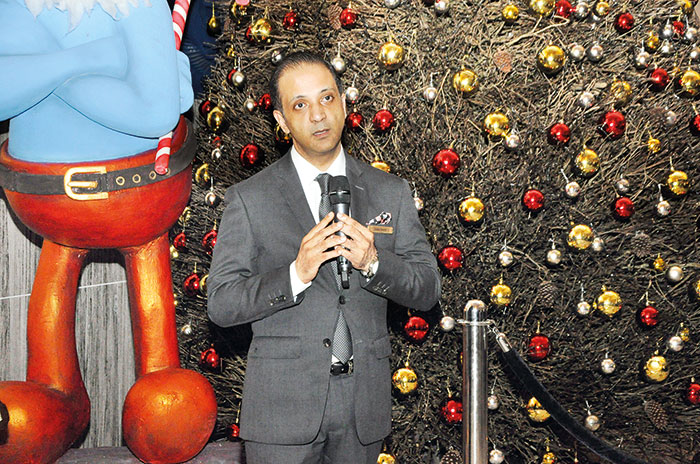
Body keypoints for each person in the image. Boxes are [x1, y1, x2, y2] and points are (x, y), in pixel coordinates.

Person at [0, 0, 216, 462]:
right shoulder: (15, 7)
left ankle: (160, 379)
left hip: (139, 201)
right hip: (47, 207)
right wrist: (88, 59)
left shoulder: (138, 7)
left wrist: (40, 70)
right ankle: (52, 392)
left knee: (149, 286)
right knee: (53, 291)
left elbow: (153, 111)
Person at [207, 51, 441, 464]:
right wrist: (295, 274)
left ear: (344, 105)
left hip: (363, 409)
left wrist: (374, 263)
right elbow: (222, 304)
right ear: (281, 122)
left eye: (327, 98)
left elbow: (427, 289)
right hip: (281, 411)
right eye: (300, 105)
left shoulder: (390, 192)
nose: (318, 115)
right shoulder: (249, 198)